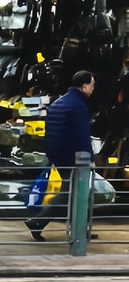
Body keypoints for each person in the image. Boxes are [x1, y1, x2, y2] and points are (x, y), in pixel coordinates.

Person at [26, 70, 96, 241]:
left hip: (58, 154)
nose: (93, 88)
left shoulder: (60, 102)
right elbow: (82, 135)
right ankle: (38, 222)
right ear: (84, 85)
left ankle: (81, 229)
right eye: (92, 85)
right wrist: (90, 158)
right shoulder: (78, 105)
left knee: (76, 192)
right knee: (73, 193)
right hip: (73, 157)